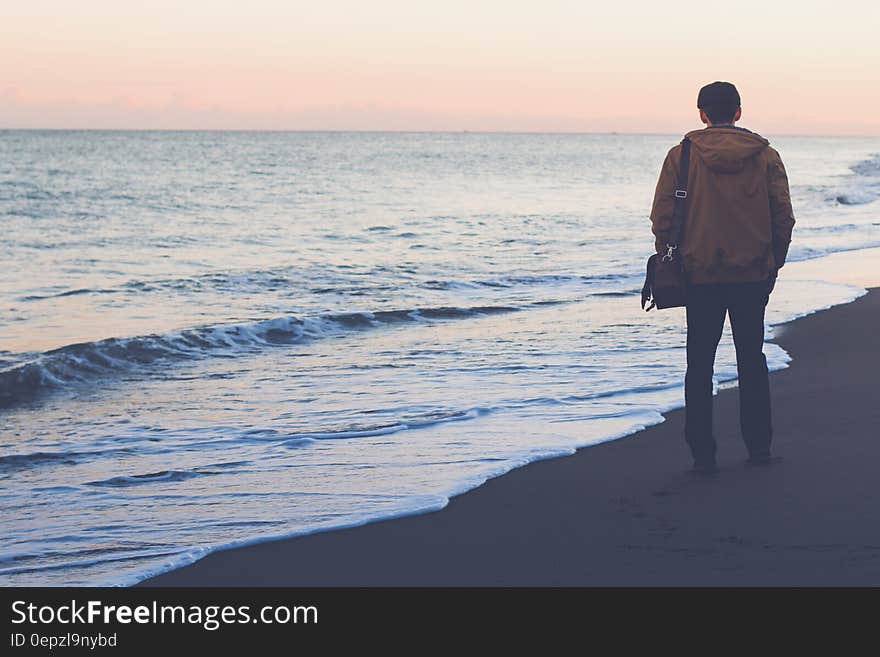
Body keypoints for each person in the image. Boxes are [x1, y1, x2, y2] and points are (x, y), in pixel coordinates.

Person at [649, 81, 796, 474]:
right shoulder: (765, 156)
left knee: (699, 364)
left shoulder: (681, 156)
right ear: (738, 112)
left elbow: (662, 217)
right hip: (752, 273)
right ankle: (759, 450)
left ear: (701, 113)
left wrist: (673, 255)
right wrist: (772, 263)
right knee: (752, 359)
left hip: (699, 274)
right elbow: (783, 216)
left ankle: (702, 455)